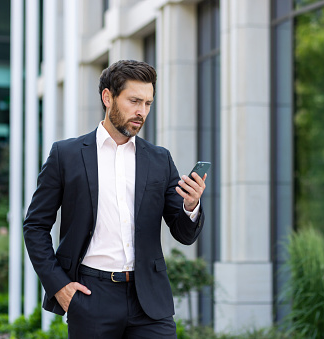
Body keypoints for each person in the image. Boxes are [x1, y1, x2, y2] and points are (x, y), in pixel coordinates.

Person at [23, 60, 207, 338]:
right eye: (134, 101)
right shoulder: (66, 155)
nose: (141, 112)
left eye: (147, 103)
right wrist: (60, 287)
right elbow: (35, 226)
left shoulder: (160, 159)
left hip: (150, 302)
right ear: (107, 97)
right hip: (91, 296)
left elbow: (183, 233)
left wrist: (191, 206)